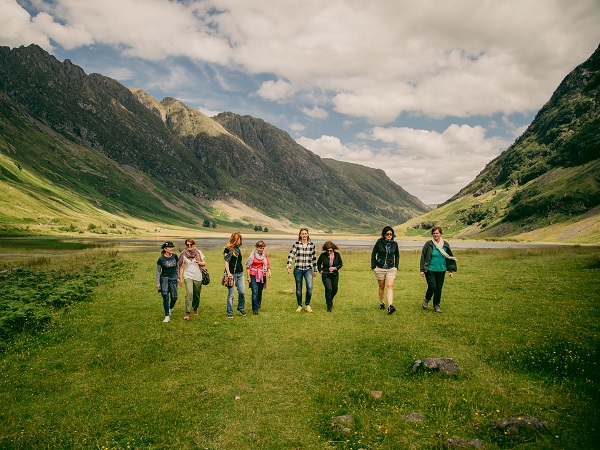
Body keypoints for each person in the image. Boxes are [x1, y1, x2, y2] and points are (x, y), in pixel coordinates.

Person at [420, 226, 457, 313]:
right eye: (434, 233)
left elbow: (449, 258)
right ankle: (427, 299)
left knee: (438, 288)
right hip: (430, 269)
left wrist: (450, 271)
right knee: (432, 286)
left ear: (440, 234)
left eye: (437, 233)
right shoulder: (428, 244)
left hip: (442, 270)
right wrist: (422, 269)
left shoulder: (445, 244)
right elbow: (423, 257)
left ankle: (436, 305)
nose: (435, 234)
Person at [286, 228, 318, 312]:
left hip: (308, 269)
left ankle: (307, 304)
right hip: (298, 269)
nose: (304, 235)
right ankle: (299, 305)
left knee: (309, 287)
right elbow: (291, 255)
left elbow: (314, 258)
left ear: (308, 235)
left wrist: (315, 269)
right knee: (299, 288)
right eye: (302, 234)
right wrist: (288, 266)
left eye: (305, 233)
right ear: (300, 235)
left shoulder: (312, 245)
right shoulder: (296, 244)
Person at [371, 226, 399, 315]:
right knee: (381, 286)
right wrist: (373, 266)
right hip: (379, 268)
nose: (389, 235)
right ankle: (382, 302)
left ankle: (390, 306)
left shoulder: (395, 244)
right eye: (387, 234)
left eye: (391, 234)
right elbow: (373, 253)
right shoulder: (379, 242)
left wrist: (396, 266)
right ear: (384, 234)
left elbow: (397, 255)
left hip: (391, 268)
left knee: (389, 286)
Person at [178, 238, 206, 320]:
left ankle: (195, 307)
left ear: (194, 245)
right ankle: (187, 312)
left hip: (198, 276)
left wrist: (200, 262)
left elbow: (204, 263)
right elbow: (181, 267)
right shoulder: (183, 254)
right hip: (188, 275)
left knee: (196, 294)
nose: (189, 246)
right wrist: (180, 278)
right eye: (187, 245)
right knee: (189, 293)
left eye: (191, 244)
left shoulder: (198, 252)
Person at [245, 240, 272, 314]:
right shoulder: (251, 254)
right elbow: (248, 266)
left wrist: (269, 272)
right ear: (256, 247)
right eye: (260, 248)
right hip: (253, 274)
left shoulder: (265, 255)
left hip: (262, 275)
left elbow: (268, 264)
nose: (261, 250)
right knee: (255, 291)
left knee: (260, 292)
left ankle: (258, 304)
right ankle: (255, 309)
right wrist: (248, 276)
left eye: (263, 248)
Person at [224, 232, 246, 318]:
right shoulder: (227, 249)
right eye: (238, 239)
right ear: (234, 240)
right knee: (231, 295)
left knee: (242, 292)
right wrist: (228, 273)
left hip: (240, 273)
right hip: (231, 274)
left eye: (240, 239)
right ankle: (230, 312)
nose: (239, 240)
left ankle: (241, 308)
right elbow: (226, 262)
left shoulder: (238, 249)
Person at [317, 241, 343, 312]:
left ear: (333, 249)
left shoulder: (337, 255)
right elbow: (318, 264)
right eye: (327, 250)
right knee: (329, 289)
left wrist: (335, 268)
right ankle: (329, 306)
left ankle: (329, 299)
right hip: (325, 274)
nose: (329, 252)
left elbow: (340, 264)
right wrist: (320, 270)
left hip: (335, 275)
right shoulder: (323, 255)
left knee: (335, 289)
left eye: (330, 250)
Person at [156, 241, 178, 323]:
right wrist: (158, 283)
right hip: (164, 279)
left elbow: (177, 268)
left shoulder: (175, 256)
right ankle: (167, 315)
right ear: (165, 249)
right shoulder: (161, 259)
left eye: (172, 247)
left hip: (173, 279)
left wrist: (178, 277)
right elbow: (158, 271)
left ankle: (170, 308)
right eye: (169, 247)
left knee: (174, 297)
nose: (171, 248)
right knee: (165, 297)